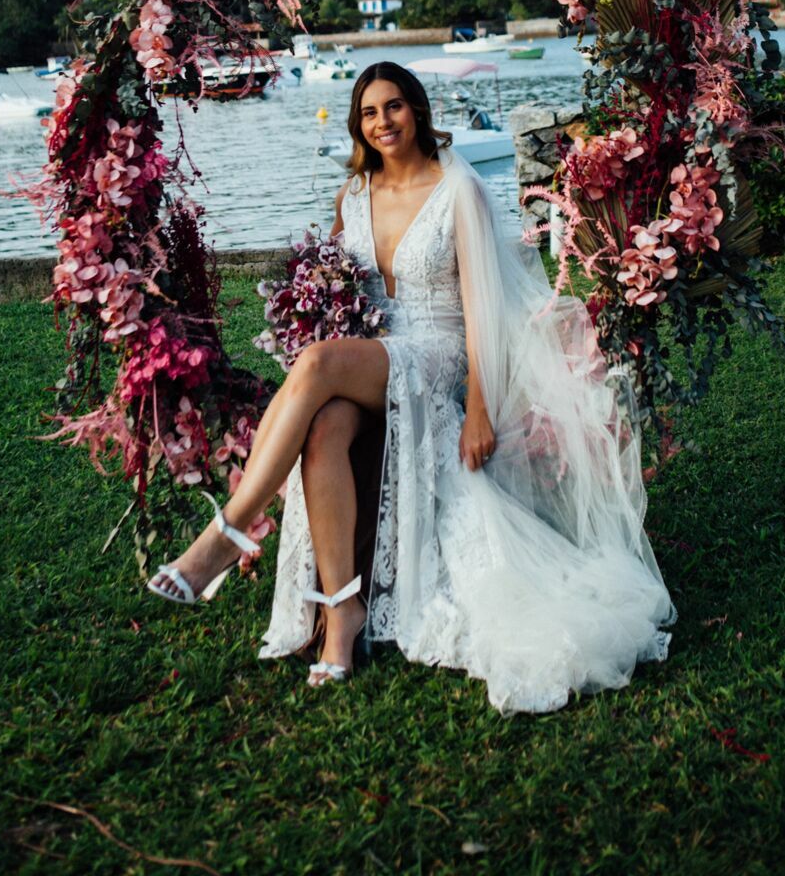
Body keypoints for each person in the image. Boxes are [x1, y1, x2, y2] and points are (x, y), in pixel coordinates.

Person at [148, 62, 674, 713]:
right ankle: (343, 615)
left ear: (417, 111)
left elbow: (483, 311)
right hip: (373, 354)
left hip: (437, 352)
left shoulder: (458, 189)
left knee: (314, 366)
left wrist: (478, 409)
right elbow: (338, 281)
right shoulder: (354, 194)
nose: (382, 122)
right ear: (357, 125)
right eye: (369, 113)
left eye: (392, 107)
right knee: (323, 429)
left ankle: (228, 534)